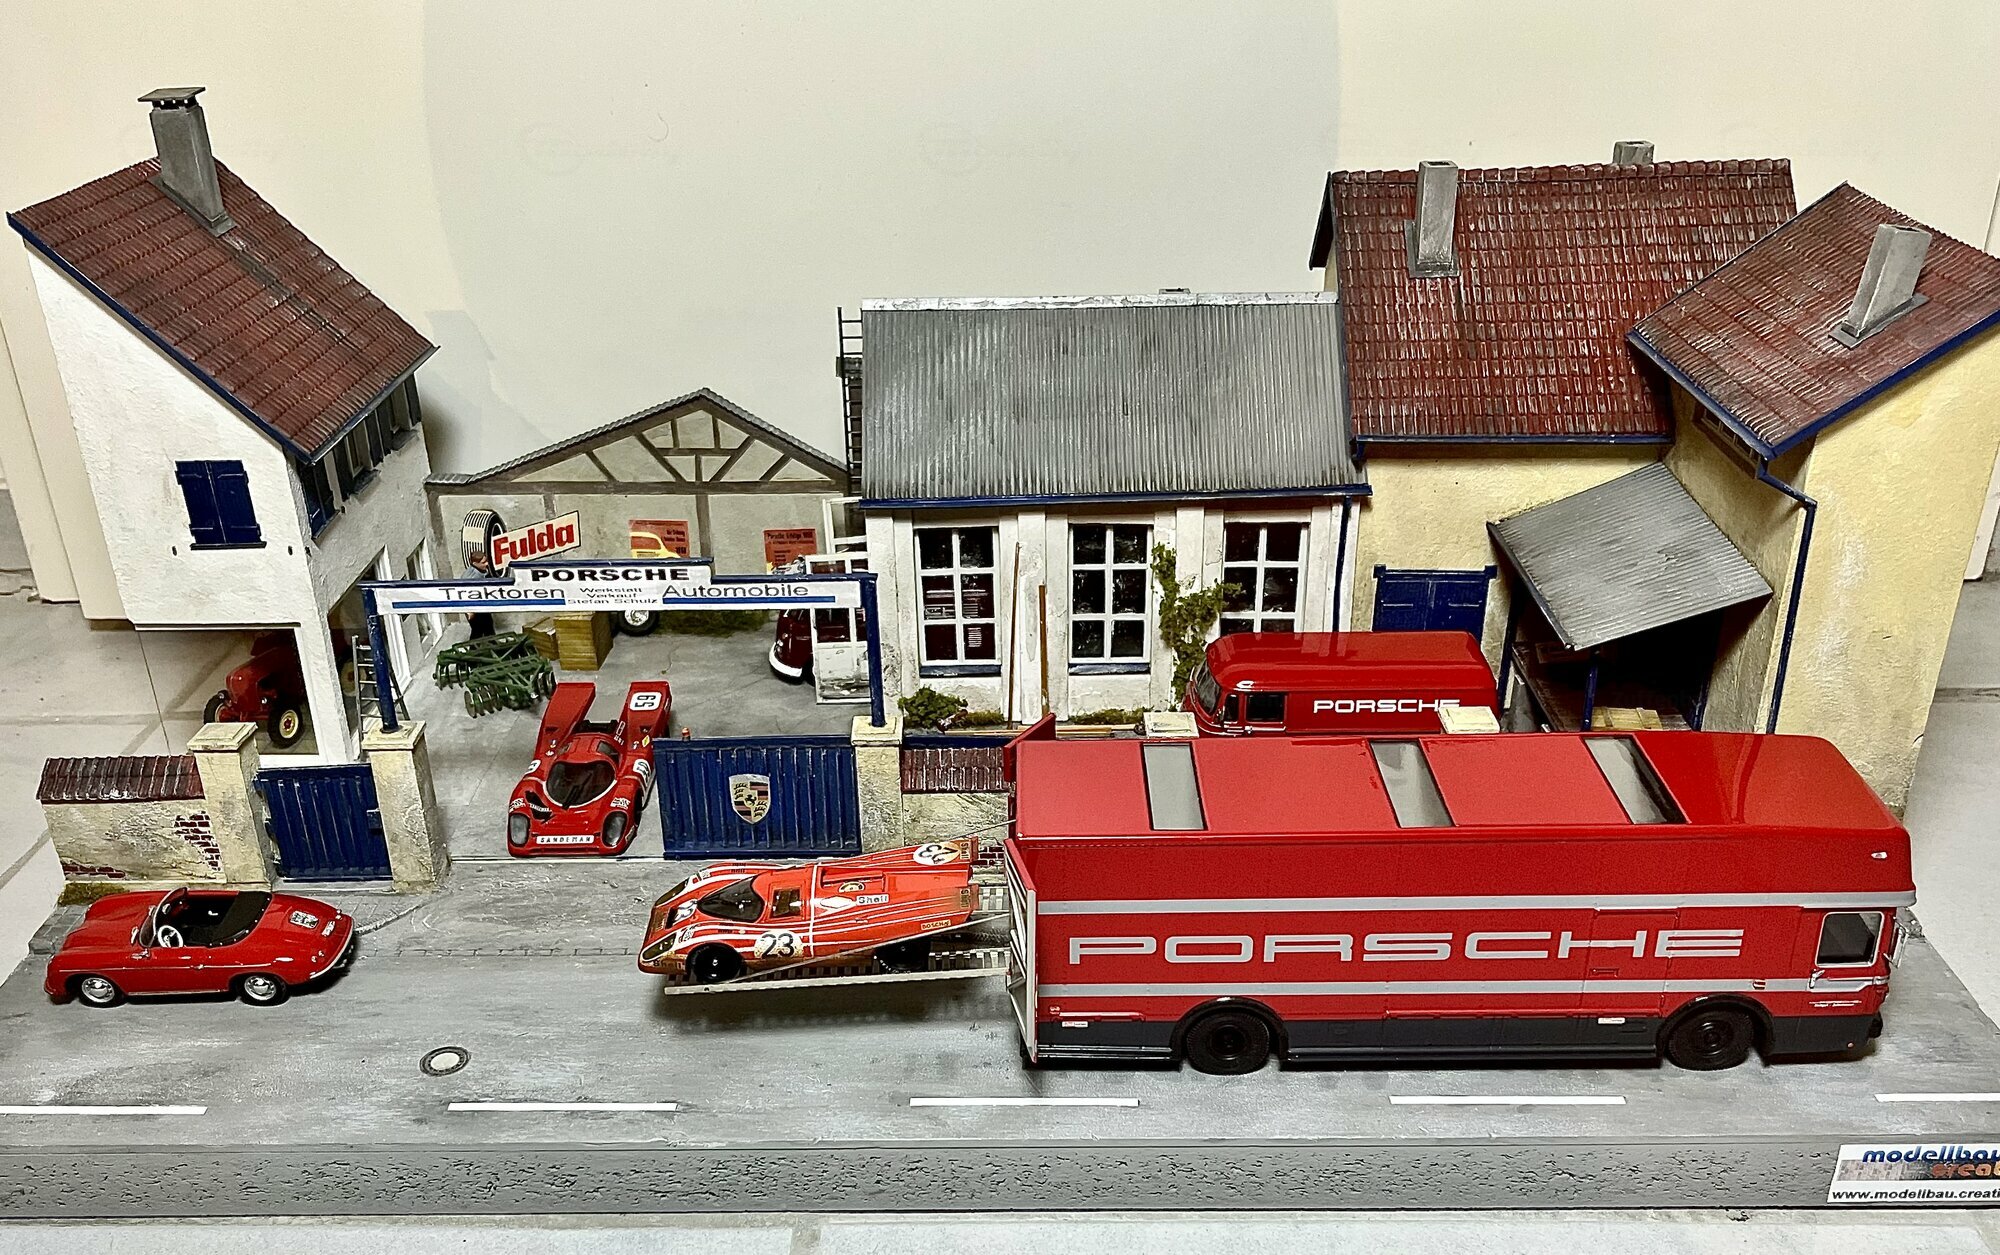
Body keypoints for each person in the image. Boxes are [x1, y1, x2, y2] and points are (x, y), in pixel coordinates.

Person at [463, 549, 498, 639]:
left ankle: (492, 642)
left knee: (488, 626)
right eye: (483, 562)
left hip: (482, 604)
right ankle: (474, 646)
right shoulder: (471, 577)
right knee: (477, 630)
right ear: (475, 563)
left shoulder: (482, 570)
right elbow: (464, 594)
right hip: (474, 607)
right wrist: (469, 611)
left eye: (486, 561)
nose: (486, 564)